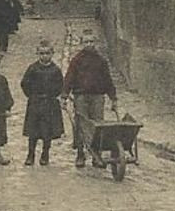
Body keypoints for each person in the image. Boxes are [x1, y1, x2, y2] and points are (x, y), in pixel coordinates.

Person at [62, 36, 118, 168]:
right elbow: (69, 78)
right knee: (81, 125)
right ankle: (80, 154)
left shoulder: (101, 61)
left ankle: (96, 154)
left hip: (98, 96)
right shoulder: (77, 60)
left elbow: (107, 80)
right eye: (86, 42)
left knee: (98, 125)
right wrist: (64, 95)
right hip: (81, 96)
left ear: (95, 43)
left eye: (91, 42)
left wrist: (113, 97)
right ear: (82, 43)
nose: (89, 44)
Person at [20, 40, 66, 166]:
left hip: (50, 104)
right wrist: (32, 95)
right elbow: (24, 83)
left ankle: (45, 154)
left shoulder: (55, 70)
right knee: (33, 132)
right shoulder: (33, 68)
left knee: (47, 132)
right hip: (35, 103)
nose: (44, 56)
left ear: (52, 54)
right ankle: (30, 155)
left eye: (47, 53)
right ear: (38, 54)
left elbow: (60, 85)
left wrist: (52, 95)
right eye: (42, 53)